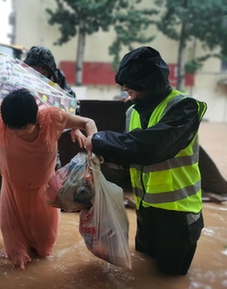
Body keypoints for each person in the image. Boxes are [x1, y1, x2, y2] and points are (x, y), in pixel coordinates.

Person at [84, 46, 207, 276]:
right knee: (144, 271)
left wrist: (98, 140)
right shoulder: (133, 111)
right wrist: (99, 160)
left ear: (149, 83)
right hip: (146, 212)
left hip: (178, 217)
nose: (125, 89)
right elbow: (129, 153)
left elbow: (151, 147)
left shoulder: (184, 108)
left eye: (131, 85)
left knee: (170, 278)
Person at [0, 88, 97, 270]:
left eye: (24, 128)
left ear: (35, 118)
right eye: (14, 128)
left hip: (44, 191)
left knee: (44, 249)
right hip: (11, 190)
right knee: (14, 253)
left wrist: (92, 141)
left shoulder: (52, 118)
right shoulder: (0, 119)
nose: (19, 133)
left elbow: (88, 122)